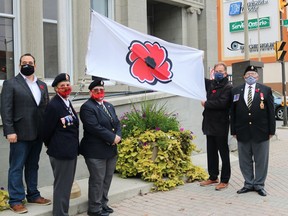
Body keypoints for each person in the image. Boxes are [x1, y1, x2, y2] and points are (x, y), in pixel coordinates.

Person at [0, 53, 51, 214]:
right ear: (19, 65)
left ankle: (33, 194)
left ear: (35, 66)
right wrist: (9, 131)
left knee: (32, 165)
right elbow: (6, 110)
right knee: (16, 167)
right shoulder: (11, 84)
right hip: (19, 134)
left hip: (38, 133)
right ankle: (15, 200)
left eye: (30, 62)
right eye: (24, 62)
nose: (27, 64)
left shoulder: (42, 85)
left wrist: (47, 131)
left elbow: (45, 109)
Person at [231, 65, 276, 196]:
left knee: (261, 160)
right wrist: (233, 130)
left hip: (261, 131)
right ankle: (248, 183)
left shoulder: (266, 90)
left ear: (258, 77)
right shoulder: (236, 91)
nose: (251, 76)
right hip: (242, 131)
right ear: (244, 77)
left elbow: (270, 111)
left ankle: (259, 185)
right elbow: (232, 113)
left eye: (253, 74)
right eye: (248, 74)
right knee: (244, 160)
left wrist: (271, 131)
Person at [80, 79, 121, 216]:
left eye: (101, 90)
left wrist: (118, 137)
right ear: (91, 92)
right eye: (96, 90)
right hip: (95, 151)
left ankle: (103, 204)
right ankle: (94, 209)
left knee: (107, 178)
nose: (99, 92)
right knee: (97, 180)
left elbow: (117, 123)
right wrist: (112, 137)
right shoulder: (87, 107)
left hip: (110, 149)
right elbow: (94, 127)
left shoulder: (108, 106)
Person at [42, 73, 79, 216]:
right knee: (62, 187)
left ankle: (63, 212)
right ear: (56, 89)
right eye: (62, 86)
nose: (66, 88)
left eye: (67, 85)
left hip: (70, 151)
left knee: (66, 186)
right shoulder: (54, 105)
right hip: (61, 152)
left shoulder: (67, 102)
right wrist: (52, 145)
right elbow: (46, 130)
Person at [200, 62, 232, 190]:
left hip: (221, 125)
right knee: (211, 152)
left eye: (221, 71)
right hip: (209, 124)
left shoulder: (228, 87)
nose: (218, 73)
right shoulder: (211, 84)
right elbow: (198, 80)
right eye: (216, 71)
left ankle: (225, 180)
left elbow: (222, 103)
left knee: (223, 153)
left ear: (225, 73)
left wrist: (206, 104)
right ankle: (213, 177)